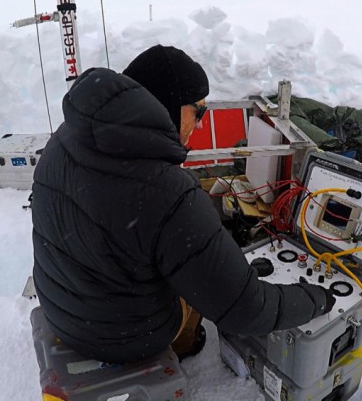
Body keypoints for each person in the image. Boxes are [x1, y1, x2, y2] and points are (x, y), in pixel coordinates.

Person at [31, 44, 335, 364]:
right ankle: (184, 344)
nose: (202, 124)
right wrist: (316, 299)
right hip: (124, 337)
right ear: (169, 104)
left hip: (62, 308)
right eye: (199, 112)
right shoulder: (167, 191)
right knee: (196, 292)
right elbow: (245, 310)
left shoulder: (66, 136)